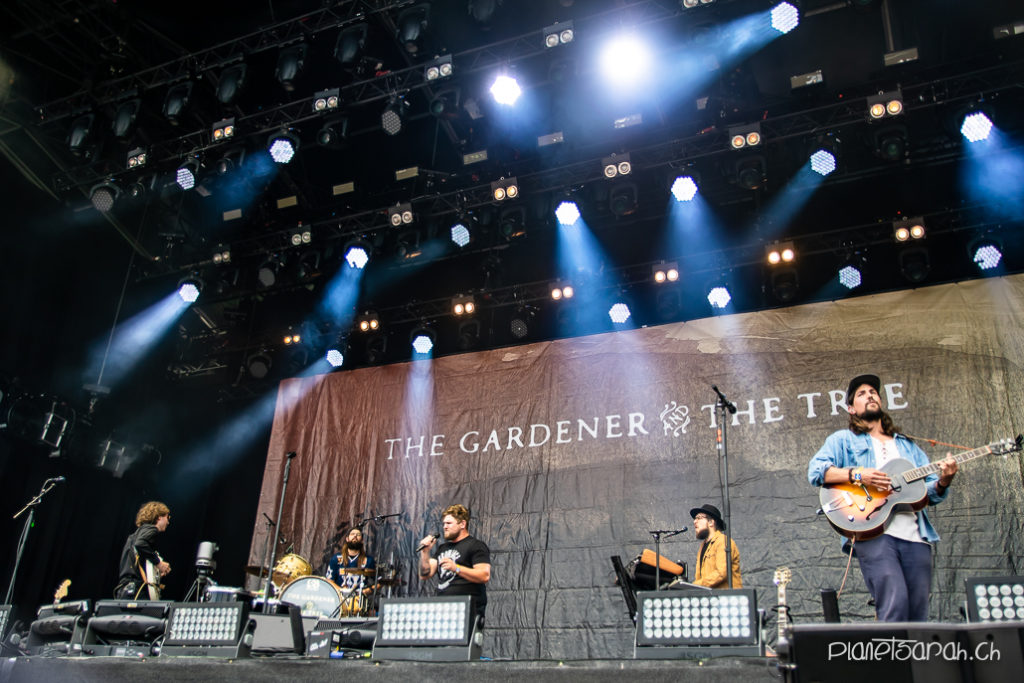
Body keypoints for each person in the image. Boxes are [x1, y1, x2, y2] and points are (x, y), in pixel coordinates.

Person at [808, 373, 958, 622]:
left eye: (873, 392)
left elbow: (929, 493)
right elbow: (816, 471)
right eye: (861, 394)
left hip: (916, 536)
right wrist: (858, 474)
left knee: (918, 612)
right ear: (851, 408)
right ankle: (892, 661)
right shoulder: (842, 440)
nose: (870, 395)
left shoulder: (908, 446)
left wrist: (944, 480)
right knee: (894, 604)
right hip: (873, 532)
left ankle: (914, 661)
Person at [418, 504, 491, 624]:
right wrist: (425, 553)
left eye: (449, 523)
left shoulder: (476, 546)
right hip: (442, 610)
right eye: (444, 524)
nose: (444, 527)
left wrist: (456, 568)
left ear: (462, 524)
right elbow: (424, 574)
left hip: (466, 611)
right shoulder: (442, 548)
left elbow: (484, 575)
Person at [114, 501, 171, 599]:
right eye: (167, 517)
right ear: (159, 517)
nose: (168, 522)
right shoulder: (152, 529)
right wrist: (159, 563)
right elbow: (140, 544)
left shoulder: (136, 534)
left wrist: (155, 571)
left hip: (125, 589)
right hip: (136, 590)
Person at [689, 503, 742, 589]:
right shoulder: (703, 546)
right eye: (695, 518)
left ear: (711, 522)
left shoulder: (722, 542)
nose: (695, 521)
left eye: (699, 518)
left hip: (726, 598)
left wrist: (695, 585)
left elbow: (721, 573)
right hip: (710, 597)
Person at [326, 526, 376, 607]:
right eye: (352, 534)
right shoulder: (336, 558)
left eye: (358, 535)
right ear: (347, 539)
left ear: (362, 540)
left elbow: (378, 582)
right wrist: (341, 590)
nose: (355, 536)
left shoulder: (368, 560)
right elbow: (329, 580)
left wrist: (365, 591)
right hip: (339, 600)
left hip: (359, 601)